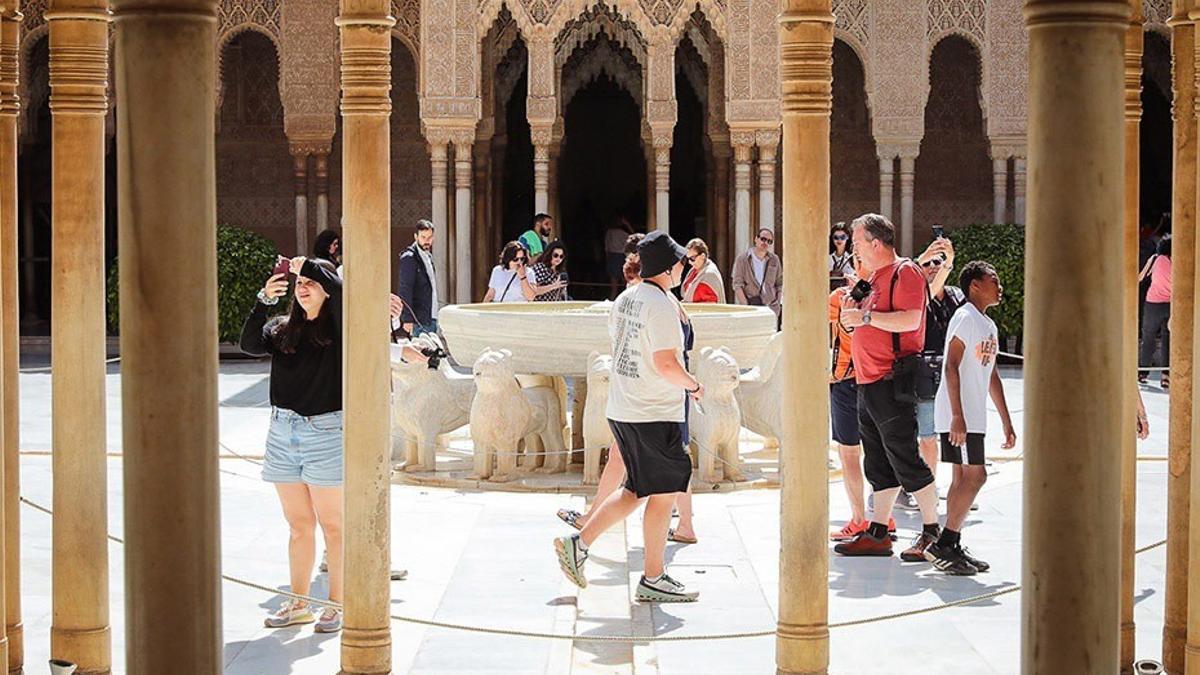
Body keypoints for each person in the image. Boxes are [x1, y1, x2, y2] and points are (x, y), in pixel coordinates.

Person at [554, 231, 704, 602]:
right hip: (654, 411)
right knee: (664, 490)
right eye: (681, 261)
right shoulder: (661, 304)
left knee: (638, 489)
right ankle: (652, 576)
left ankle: (582, 544)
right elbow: (666, 363)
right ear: (669, 267)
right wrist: (693, 385)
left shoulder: (625, 299)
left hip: (625, 409)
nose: (684, 266)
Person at [238, 256, 375, 633]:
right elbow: (249, 344)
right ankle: (299, 603)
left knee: (334, 526)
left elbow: (347, 296)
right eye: (299, 284)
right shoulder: (284, 330)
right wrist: (263, 299)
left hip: (327, 432)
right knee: (299, 526)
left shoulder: (338, 331)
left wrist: (312, 266)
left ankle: (336, 604)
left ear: (327, 291)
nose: (302, 288)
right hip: (283, 432)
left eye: (311, 284)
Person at [834, 213, 942, 562]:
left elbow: (912, 318)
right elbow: (855, 320)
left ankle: (932, 532)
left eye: (857, 241)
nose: (853, 248)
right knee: (878, 462)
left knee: (905, 457)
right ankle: (878, 532)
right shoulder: (873, 278)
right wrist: (853, 316)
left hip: (891, 379)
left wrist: (864, 318)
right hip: (867, 380)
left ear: (875, 243)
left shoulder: (904, 272)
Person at [927, 261, 1016, 575]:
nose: (999, 284)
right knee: (977, 477)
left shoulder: (987, 325)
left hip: (973, 414)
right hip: (959, 413)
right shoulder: (965, 317)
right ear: (975, 285)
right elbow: (950, 366)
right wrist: (957, 416)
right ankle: (943, 543)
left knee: (961, 479)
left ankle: (951, 546)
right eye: (994, 279)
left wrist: (1006, 421)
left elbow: (992, 376)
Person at [895, 235, 963, 511]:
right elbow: (929, 292)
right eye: (931, 263)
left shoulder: (956, 295)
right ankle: (926, 489)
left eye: (940, 263)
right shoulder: (918, 293)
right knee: (926, 436)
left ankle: (944, 487)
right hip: (923, 372)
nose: (935, 267)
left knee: (951, 433)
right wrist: (944, 265)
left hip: (950, 372)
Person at [1138, 236, 1171, 388]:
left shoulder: (1155, 258)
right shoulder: (1182, 261)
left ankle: (1143, 372)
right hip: (1172, 305)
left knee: (1148, 337)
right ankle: (1166, 376)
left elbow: (1140, 277)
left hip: (1153, 304)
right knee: (1167, 340)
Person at [397, 220, 439, 336]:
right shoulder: (409, 258)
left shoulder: (428, 256)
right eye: (423, 237)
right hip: (417, 319)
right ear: (416, 237)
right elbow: (405, 289)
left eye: (430, 237)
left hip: (431, 315)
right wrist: (407, 319)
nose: (427, 241)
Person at [731, 228, 783, 321]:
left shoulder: (774, 260)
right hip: (752, 307)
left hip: (770, 309)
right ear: (756, 239)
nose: (765, 243)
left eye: (769, 241)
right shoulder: (743, 259)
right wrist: (746, 307)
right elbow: (737, 284)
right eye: (763, 239)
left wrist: (777, 303)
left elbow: (779, 283)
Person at [681, 238, 726, 303]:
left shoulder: (710, 274)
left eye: (692, 258)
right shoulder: (693, 271)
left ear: (703, 256)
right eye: (688, 258)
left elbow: (711, 304)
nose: (690, 262)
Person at [606, 217, 635, 299]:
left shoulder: (609, 232)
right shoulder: (622, 233)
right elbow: (634, 238)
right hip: (620, 256)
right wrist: (628, 226)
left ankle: (612, 299)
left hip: (611, 256)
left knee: (614, 285)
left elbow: (606, 247)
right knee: (626, 282)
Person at [828, 222, 853, 288]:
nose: (839, 240)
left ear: (847, 237)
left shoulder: (853, 257)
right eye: (836, 237)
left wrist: (843, 275)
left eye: (843, 237)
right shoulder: (827, 257)